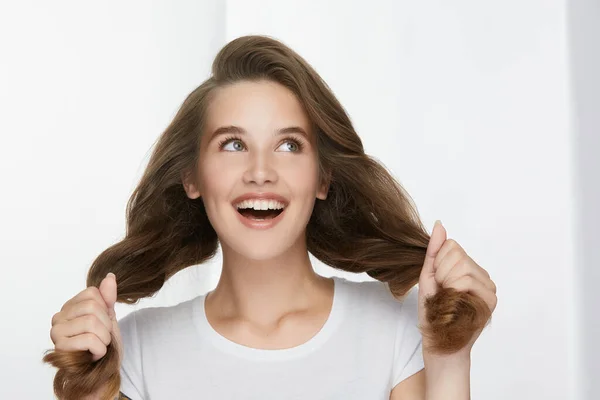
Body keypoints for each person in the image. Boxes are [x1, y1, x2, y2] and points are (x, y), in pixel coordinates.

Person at [43, 35, 497, 400]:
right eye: (233, 144)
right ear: (191, 177)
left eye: (289, 145)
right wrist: (90, 390)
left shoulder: (394, 333)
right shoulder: (136, 352)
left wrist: (451, 359)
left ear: (322, 178)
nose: (261, 172)